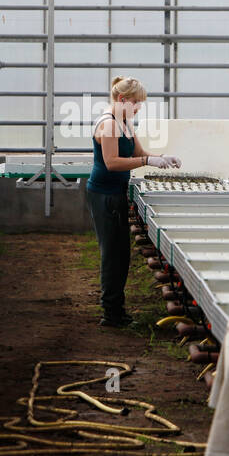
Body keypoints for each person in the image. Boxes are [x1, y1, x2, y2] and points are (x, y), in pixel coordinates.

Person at [85, 76, 181, 327]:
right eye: (136, 103)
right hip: (104, 194)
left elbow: (138, 153)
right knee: (112, 253)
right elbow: (112, 162)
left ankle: (116, 308)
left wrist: (160, 157)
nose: (139, 107)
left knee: (121, 252)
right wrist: (147, 162)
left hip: (115, 192)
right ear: (122, 100)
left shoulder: (124, 122)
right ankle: (111, 312)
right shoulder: (108, 124)